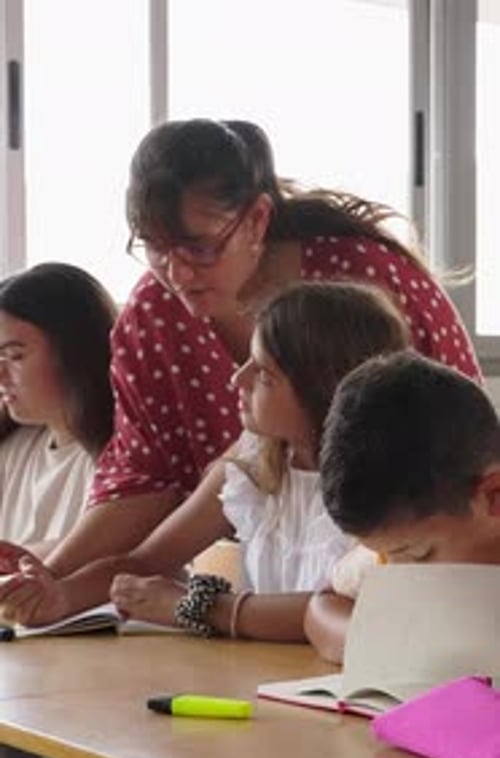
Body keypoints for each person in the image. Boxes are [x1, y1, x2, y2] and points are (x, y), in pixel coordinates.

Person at [39, 117, 480, 584]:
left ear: (257, 219)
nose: (178, 274)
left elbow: (463, 444)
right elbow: (145, 478)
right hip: (259, 579)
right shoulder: (157, 316)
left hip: (421, 579)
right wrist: (51, 579)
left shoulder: (371, 277)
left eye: (200, 247)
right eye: (154, 248)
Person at [1, 281, 409, 635]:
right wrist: (61, 597)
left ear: (321, 388)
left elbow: (345, 612)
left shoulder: (390, 483)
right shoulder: (253, 459)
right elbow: (146, 560)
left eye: (263, 374)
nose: (237, 379)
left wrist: (200, 607)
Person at [306, 349, 500, 758]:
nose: (396, 575)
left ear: (493, 496)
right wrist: (378, 646)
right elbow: (323, 603)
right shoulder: (416, 531)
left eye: (414, 558)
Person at [0, 263, 116, 557]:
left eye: (15, 356)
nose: (1, 375)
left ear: (74, 352)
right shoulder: (15, 448)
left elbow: (116, 553)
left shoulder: (122, 461)